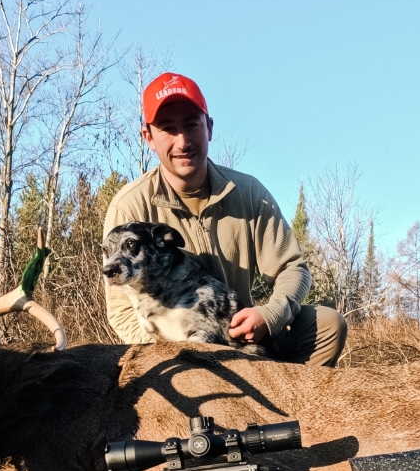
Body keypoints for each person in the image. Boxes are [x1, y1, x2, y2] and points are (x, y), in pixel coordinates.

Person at [102, 72, 347, 366]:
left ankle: (292, 403)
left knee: (328, 324)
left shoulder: (248, 193)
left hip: (240, 335)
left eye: (192, 125)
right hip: (172, 341)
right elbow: (121, 311)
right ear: (149, 138)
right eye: (168, 129)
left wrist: (268, 316)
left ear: (209, 128)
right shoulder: (129, 207)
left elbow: (292, 268)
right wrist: (166, 355)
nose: (182, 142)